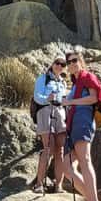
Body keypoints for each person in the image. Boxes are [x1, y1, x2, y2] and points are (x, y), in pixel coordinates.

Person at [60, 48, 101, 201]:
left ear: (81, 62)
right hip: (74, 125)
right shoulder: (75, 84)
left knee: (84, 160)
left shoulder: (87, 77)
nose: (72, 64)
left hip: (83, 121)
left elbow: (93, 98)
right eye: (69, 62)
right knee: (67, 167)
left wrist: (70, 101)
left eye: (75, 61)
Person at [32, 55, 69, 193]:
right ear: (52, 64)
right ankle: (39, 184)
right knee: (48, 148)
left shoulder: (63, 82)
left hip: (60, 114)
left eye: (63, 64)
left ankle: (58, 185)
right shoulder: (43, 78)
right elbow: (37, 97)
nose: (59, 66)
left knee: (60, 151)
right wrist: (48, 98)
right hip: (45, 112)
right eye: (57, 63)